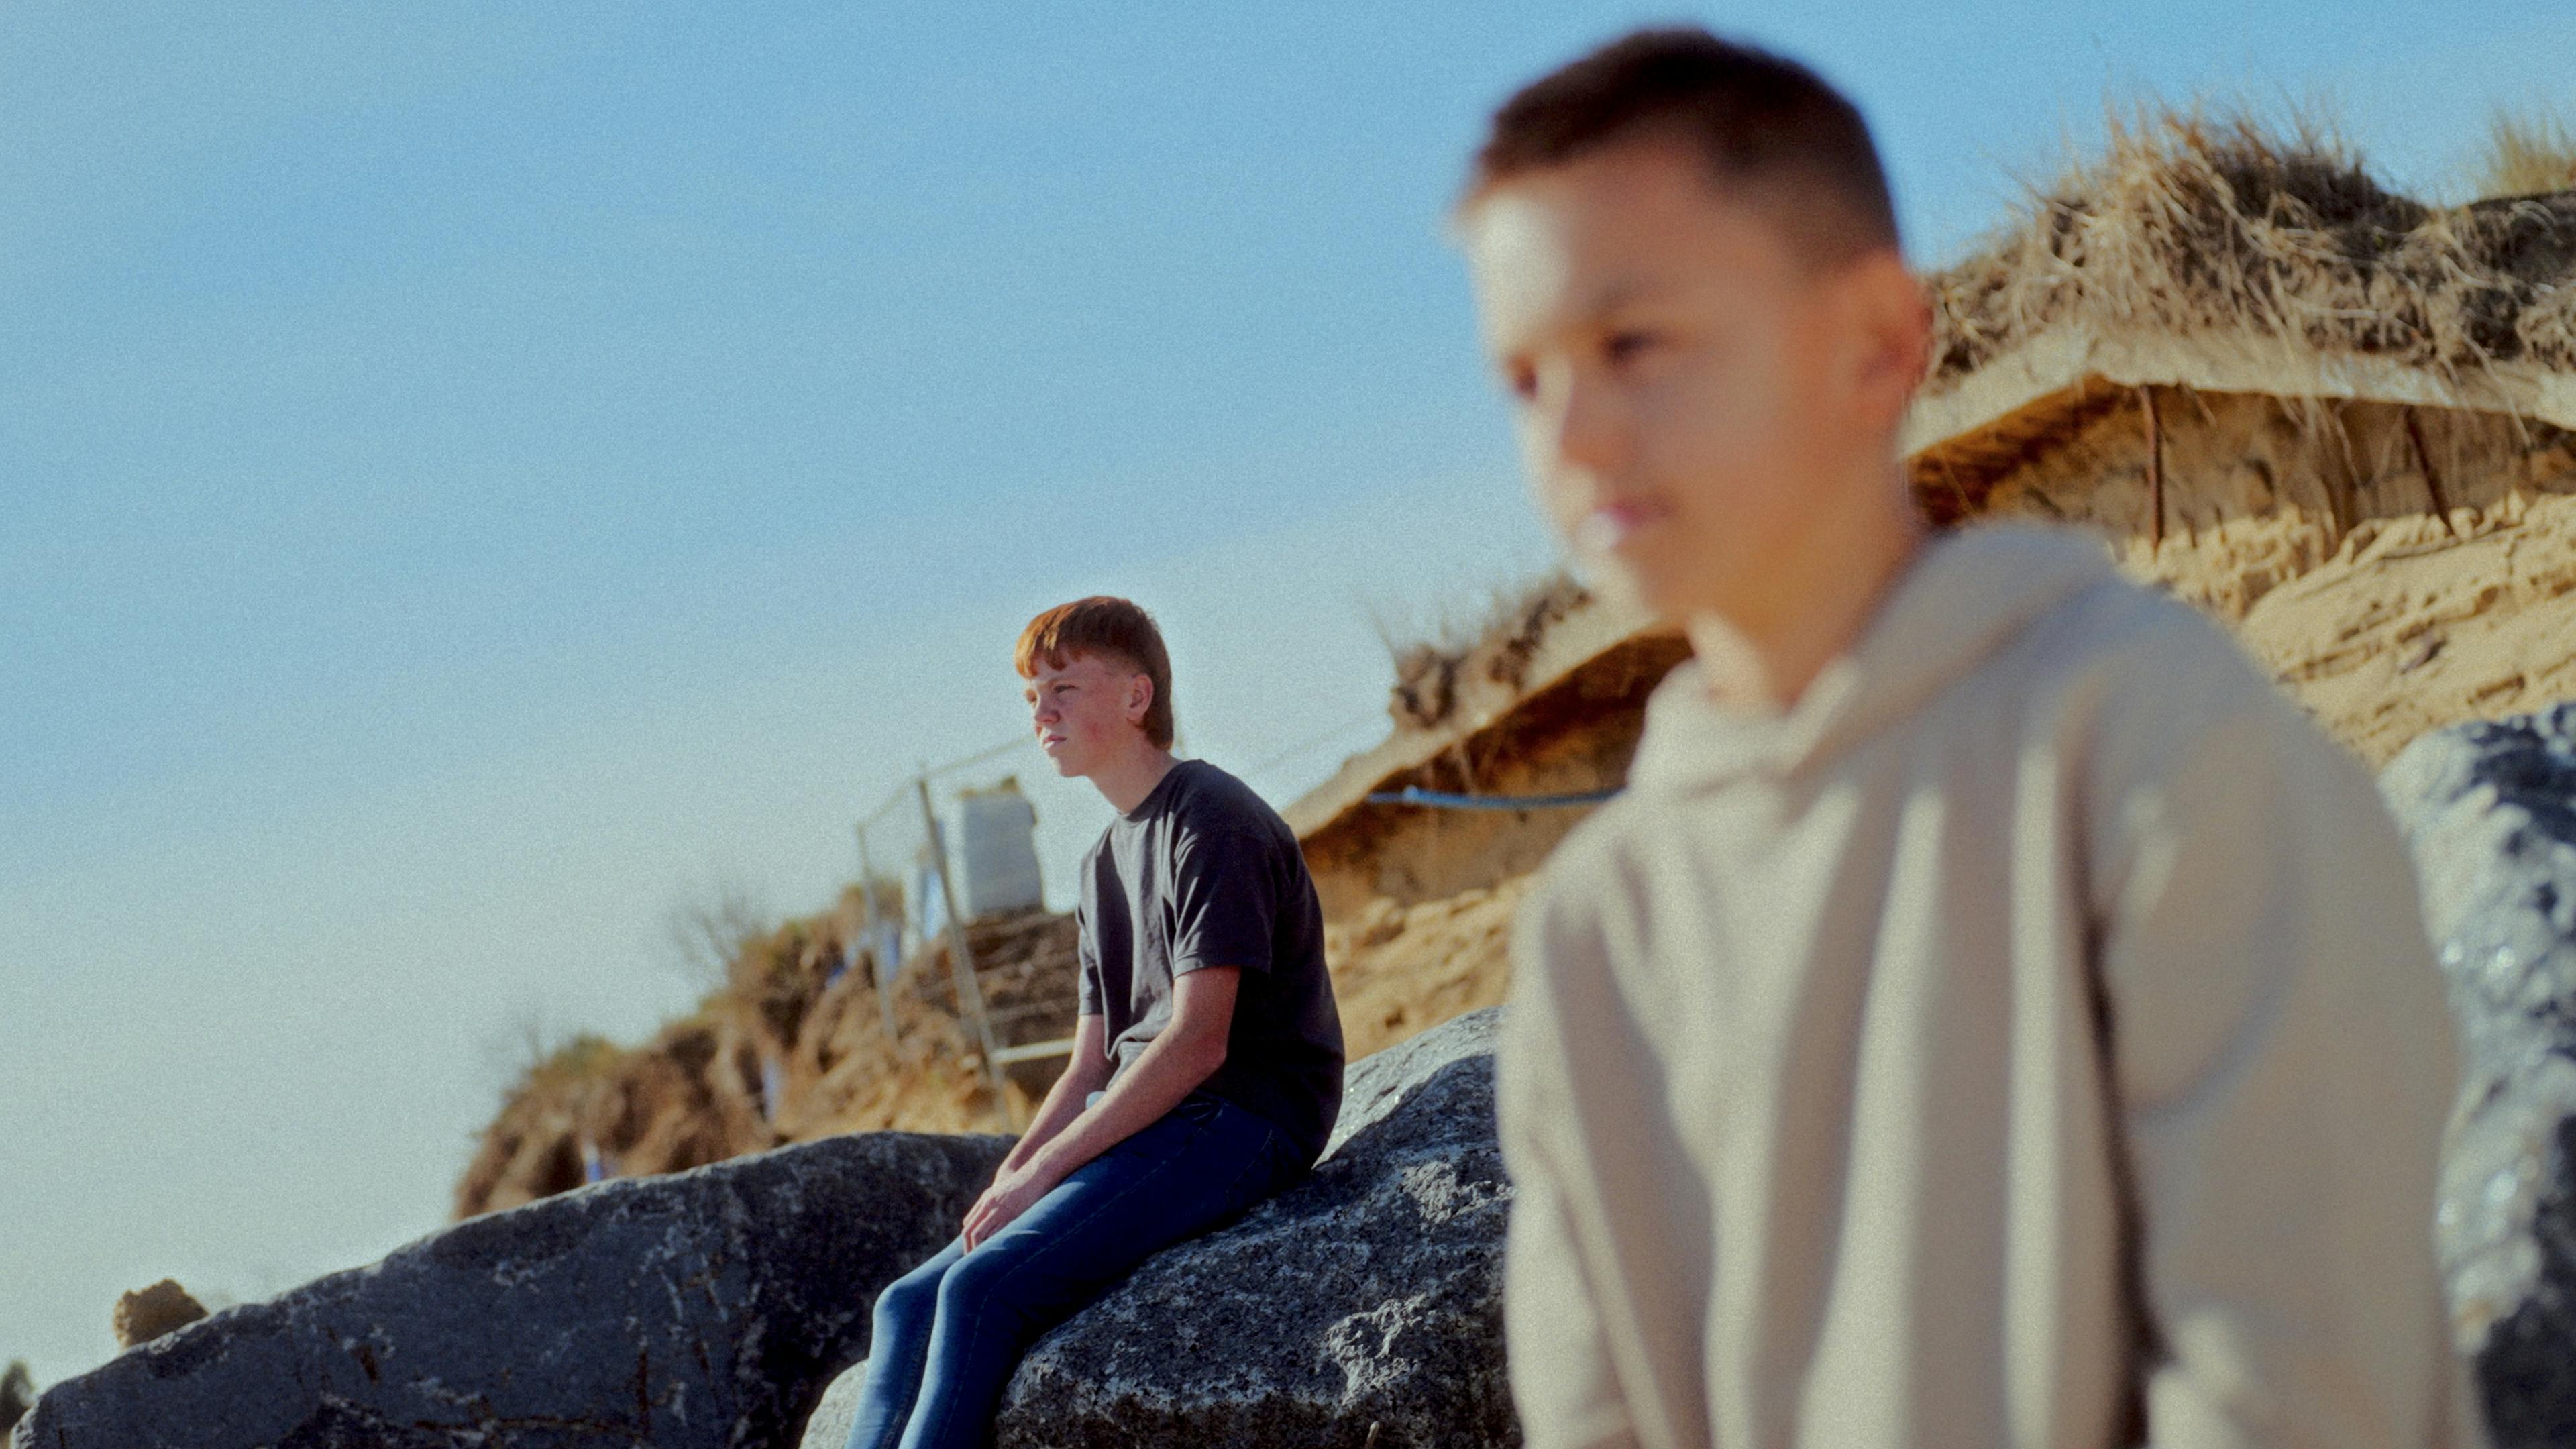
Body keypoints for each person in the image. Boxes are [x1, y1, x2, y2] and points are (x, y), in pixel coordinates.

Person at [1459, 28, 2471, 1449]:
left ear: (1875, 341)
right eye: (1521, 377)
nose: (1570, 431)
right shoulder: (1591, 932)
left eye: (1633, 343)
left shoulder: (2148, 743)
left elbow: (2297, 1386)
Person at [845, 595, 1344, 1449]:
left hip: (1243, 1115)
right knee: (908, 1301)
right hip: (1156, 1121)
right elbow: (1084, 1069)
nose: (1041, 712)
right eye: (1032, 695)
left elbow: (1198, 1041)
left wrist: (1049, 1175)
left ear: (1137, 697)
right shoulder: (1101, 861)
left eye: (1065, 688)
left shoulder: (1210, 818)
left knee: (981, 1294)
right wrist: (1012, 1177)